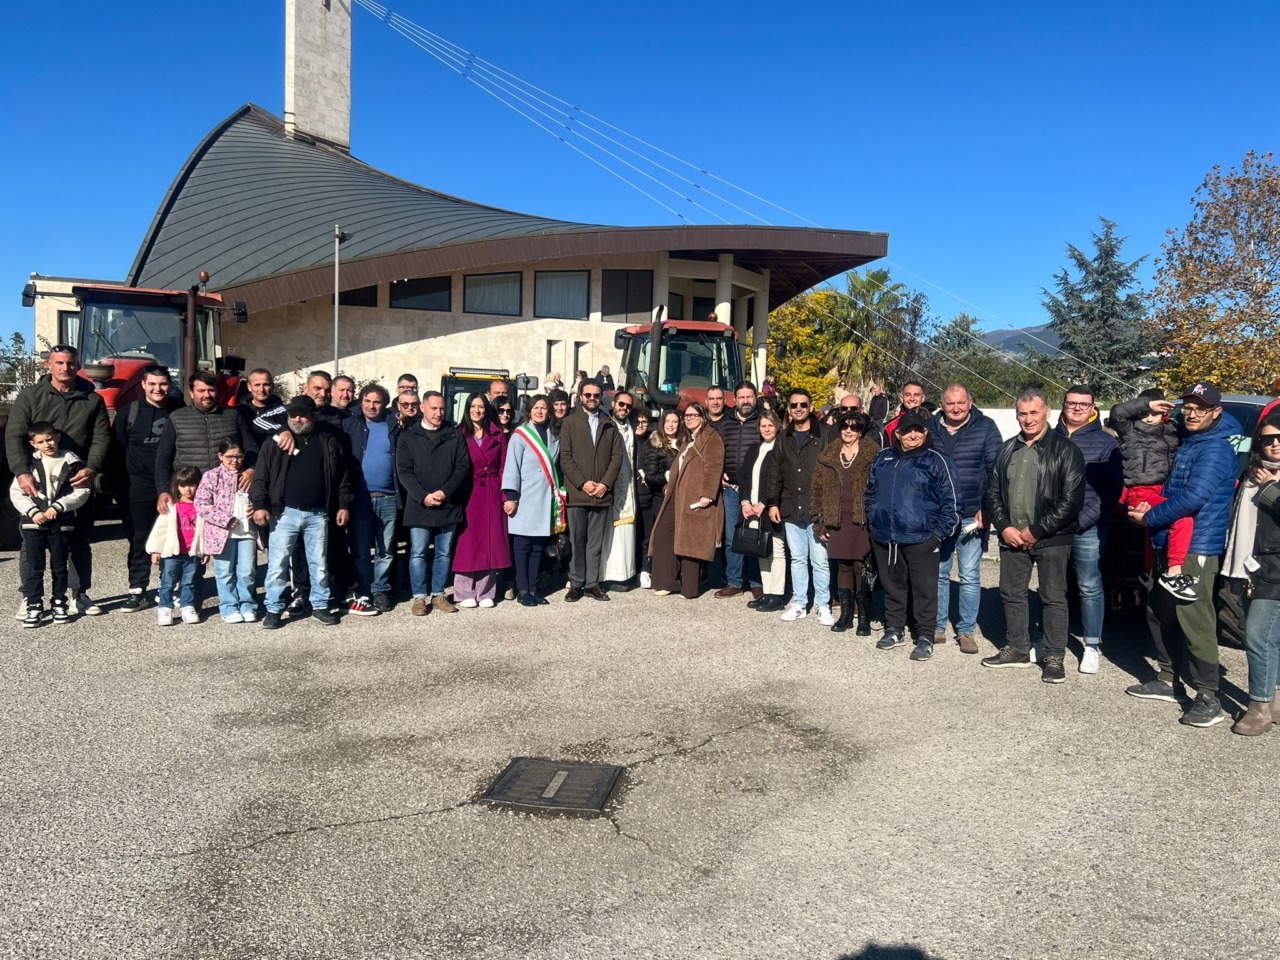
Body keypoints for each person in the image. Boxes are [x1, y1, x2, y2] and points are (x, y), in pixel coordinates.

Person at [1126, 382, 1241, 727]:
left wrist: (1150, 517)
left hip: (1196, 548)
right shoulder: (1191, 441)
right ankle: (1167, 679)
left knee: (1195, 618)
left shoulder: (1216, 450)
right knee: (1160, 610)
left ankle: (1209, 695)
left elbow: (1193, 498)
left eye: (1200, 408)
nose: (1191, 414)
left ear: (1216, 412)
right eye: (1187, 407)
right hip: (1169, 541)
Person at [982, 388, 1085, 683]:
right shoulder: (1007, 449)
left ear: (1047, 413)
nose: (1028, 419)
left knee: (1053, 597)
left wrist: (1036, 530)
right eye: (1022, 413)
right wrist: (1004, 527)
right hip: (1012, 537)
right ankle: (1017, 648)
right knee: (1011, 593)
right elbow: (992, 492)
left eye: (1033, 413)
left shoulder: (1066, 450)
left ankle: (1053, 656)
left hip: (1052, 538)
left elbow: (1072, 499)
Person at [5, 344, 110, 618]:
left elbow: (101, 438)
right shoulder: (30, 396)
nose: (66, 368)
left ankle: (79, 595)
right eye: (60, 363)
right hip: (37, 482)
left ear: (78, 365)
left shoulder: (92, 400)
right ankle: (31, 598)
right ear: (48, 365)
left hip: (76, 480)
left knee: (79, 540)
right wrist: (21, 471)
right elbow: (14, 435)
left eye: (71, 363)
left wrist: (92, 468)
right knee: (33, 544)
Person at [862, 411, 960, 658]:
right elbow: (871, 492)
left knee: (924, 589)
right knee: (892, 586)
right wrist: (875, 520)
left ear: (925, 432)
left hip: (922, 538)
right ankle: (894, 628)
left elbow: (952, 502)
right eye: (907, 431)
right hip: (886, 536)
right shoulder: (883, 458)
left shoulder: (937, 460)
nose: (913, 435)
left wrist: (937, 535)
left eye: (918, 430)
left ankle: (925, 635)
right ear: (898, 434)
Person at [250, 396, 353, 629]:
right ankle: (274, 609)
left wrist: (344, 504)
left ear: (313, 416)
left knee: (319, 563)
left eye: (303, 414)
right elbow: (261, 477)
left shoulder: (328, 441)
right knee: (278, 564)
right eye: (293, 414)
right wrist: (259, 505)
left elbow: (342, 478)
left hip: (318, 514)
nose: (298, 418)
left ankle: (320, 606)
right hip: (284, 513)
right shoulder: (275, 442)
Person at [927, 383, 1002, 654]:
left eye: (961, 403)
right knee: (939, 572)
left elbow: (996, 469)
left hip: (973, 513)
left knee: (969, 574)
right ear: (942, 404)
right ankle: (937, 626)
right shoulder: (929, 427)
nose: (956, 408)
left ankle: (966, 629)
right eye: (950, 403)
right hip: (938, 515)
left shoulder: (986, 427)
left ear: (971, 402)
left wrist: (988, 507)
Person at [1054, 384, 1123, 674]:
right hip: (1052, 526)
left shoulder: (1106, 443)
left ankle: (1092, 645)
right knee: (1052, 585)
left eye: (1084, 403)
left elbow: (1111, 491)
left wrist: (1085, 520)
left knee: (1089, 585)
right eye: (1072, 402)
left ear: (1093, 407)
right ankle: (1050, 640)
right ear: (1064, 404)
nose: (1078, 408)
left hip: (1088, 526)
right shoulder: (1049, 437)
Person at [1224, 413, 1280, 734]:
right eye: (1267, 439)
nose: (1274, 444)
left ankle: (1259, 707)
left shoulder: (1266, 480)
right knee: (1272, 638)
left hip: (1275, 569)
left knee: (1258, 636)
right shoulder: (1253, 473)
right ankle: (1275, 703)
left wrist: (1270, 487)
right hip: (1253, 567)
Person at [1109, 389, 1192, 596]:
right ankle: (1174, 573)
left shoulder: (1172, 430)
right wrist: (1148, 404)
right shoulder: (1130, 430)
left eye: (1154, 413)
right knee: (1182, 519)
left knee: (1153, 533)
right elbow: (1117, 413)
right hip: (1141, 491)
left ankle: (1148, 574)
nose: (1148, 418)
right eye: (1144, 412)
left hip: (1166, 490)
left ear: (1164, 412)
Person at [115, 364, 184, 611]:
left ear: (170, 385)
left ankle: (170, 587)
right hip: (139, 485)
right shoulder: (128, 413)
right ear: (143, 385)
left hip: (172, 483)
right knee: (139, 537)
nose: (158, 389)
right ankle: (138, 589)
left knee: (173, 536)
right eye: (152, 384)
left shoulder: (179, 411)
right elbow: (117, 451)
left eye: (163, 384)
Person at [396, 390, 471, 616]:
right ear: (422, 408)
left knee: (443, 553)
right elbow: (404, 471)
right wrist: (423, 496)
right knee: (418, 552)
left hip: (448, 504)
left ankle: (438, 595)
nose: (438, 413)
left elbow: (462, 467)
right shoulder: (408, 436)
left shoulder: (453, 434)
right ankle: (419, 598)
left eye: (441, 409)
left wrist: (444, 492)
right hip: (420, 505)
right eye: (434, 408)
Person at [11, 422, 91, 627]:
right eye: (41, 441)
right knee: (34, 567)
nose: (47, 444)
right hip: (33, 524)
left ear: (57, 437)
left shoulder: (72, 462)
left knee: (59, 566)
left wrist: (59, 506)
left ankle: (59, 603)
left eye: (50, 439)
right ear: (33, 443)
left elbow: (82, 491)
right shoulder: (27, 465)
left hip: (61, 523)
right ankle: (34, 605)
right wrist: (33, 511)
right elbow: (16, 493)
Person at [811, 411, 882, 634]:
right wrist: (819, 522)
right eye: (844, 427)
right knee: (843, 565)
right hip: (837, 519)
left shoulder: (874, 454)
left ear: (861, 431)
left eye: (853, 427)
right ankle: (845, 616)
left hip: (862, 520)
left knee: (861, 566)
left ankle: (863, 617)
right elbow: (816, 490)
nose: (848, 431)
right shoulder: (828, 455)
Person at [770, 388, 835, 625]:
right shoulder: (783, 436)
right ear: (788, 409)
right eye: (794, 405)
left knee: (819, 560)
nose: (798, 409)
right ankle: (799, 603)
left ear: (811, 407)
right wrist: (772, 503)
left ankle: (823, 604)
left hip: (817, 508)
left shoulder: (825, 434)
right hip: (790, 505)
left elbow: (833, 472)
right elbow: (775, 472)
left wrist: (829, 506)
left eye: (803, 405)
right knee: (797, 558)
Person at [649, 401, 725, 599]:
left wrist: (707, 494)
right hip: (676, 494)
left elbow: (713, 467)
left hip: (696, 497)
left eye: (694, 415)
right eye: (688, 416)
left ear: (702, 417)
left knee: (691, 540)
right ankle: (667, 581)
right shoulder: (688, 440)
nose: (689, 419)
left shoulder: (711, 438)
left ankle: (690, 587)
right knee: (663, 534)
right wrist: (669, 485)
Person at [559, 379, 624, 601]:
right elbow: (565, 458)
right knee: (577, 541)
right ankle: (576, 583)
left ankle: (592, 583)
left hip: (601, 494)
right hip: (579, 494)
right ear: (580, 396)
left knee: (595, 542)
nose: (592, 399)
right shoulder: (569, 423)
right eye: (588, 395)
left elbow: (617, 458)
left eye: (596, 395)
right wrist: (583, 483)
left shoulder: (609, 423)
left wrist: (605, 484)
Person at [343, 383, 401, 614]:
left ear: (384, 404)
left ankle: (380, 591)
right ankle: (364, 590)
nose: (371, 406)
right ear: (361, 402)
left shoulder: (393, 425)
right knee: (360, 549)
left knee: (385, 550)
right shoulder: (352, 424)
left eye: (377, 401)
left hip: (387, 497)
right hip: (361, 498)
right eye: (367, 401)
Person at [502, 396, 565, 605]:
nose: (540, 411)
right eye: (536, 408)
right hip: (525, 497)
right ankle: (522, 589)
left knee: (538, 547)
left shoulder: (553, 435)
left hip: (545, 497)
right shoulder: (519, 435)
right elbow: (512, 466)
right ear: (529, 411)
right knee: (522, 546)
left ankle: (533, 587)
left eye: (544, 408)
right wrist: (511, 496)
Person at [156, 370, 248, 511]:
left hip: (226, 494)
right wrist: (163, 491)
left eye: (211, 390)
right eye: (201, 390)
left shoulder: (233, 416)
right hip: (189, 493)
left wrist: (251, 471)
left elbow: (251, 448)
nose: (207, 395)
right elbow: (163, 459)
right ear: (192, 393)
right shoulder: (177, 418)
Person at [452, 393, 511, 608]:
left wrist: (507, 495)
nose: (477, 410)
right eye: (473, 406)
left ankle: (486, 590)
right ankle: (463, 590)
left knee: (491, 541)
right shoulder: (459, 433)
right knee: (467, 542)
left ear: (487, 410)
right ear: (467, 409)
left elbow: (505, 467)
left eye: (481, 407)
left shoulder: (497, 435)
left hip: (492, 490)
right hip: (469, 491)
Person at [195, 439, 259, 623]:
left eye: (239, 456)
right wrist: (225, 519)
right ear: (220, 456)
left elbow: (262, 495)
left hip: (247, 531)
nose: (235, 461)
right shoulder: (211, 476)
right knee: (225, 571)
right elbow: (201, 503)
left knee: (247, 570)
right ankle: (229, 607)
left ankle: (248, 605)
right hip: (220, 532)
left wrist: (255, 507)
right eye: (230, 457)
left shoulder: (250, 475)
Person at [710, 381, 762, 599]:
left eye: (749, 397)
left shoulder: (763, 421)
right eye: (742, 397)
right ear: (735, 400)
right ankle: (734, 581)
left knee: (755, 534)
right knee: (732, 535)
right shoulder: (726, 423)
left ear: (755, 398)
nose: (746, 401)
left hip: (756, 487)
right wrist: (719, 471)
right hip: (731, 487)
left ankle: (758, 582)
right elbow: (715, 450)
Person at [737, 410, 788, 612]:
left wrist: (764, 503)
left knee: (776, 550)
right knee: (761, 550)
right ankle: (767, 592)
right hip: (752, 508)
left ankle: (777, 595)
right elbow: (743, 478)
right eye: (763, 426)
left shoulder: (782, 449)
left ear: (777, 427)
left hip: (772, 508)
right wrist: (744, 502)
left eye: (770, 425)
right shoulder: (754, 449)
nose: (766, 429)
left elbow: (780, 480)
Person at [147, 465, 204, 626]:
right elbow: (160, 530)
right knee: (168, 582)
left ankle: (187, 606)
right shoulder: (172, 507)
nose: (188, 490)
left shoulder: (202, 507)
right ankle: (165, 608)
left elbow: (205, 531)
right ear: (177, 486)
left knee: (189, 582)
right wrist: (156, 550)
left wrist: (206, 550)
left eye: (192, 485)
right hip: (172, 552)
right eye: (183, 485)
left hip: (192, 552)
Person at [638, 410, 683, 589]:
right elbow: (650, 476)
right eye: (668, 422)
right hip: (660, 497)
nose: (671, 425)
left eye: (675, 422)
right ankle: (647, 569)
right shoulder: (654, 443)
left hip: (681, 497)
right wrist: (667, 476)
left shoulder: (685, 443)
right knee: (655, 535)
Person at [601, 390, 639, 588]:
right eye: (621, 404)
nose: (624, 408)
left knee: (625, 532)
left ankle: (624, 574)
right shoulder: (606, 425)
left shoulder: (632, 427)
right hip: (609, 483)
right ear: (614, 405)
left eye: (628, 406)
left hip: (628, 485)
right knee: (608, 532)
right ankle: (607, 574)